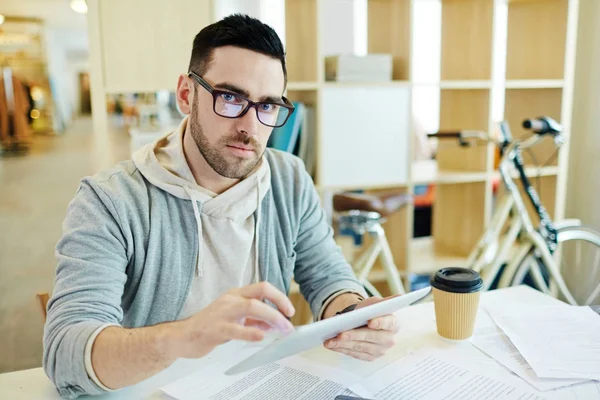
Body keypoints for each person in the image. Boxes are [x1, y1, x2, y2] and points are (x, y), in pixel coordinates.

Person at [43, 14, 400, 399]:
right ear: (186, 94)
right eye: (230, 97)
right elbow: (65, 354)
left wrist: (353, 315)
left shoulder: (289, 178)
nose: (250, 125)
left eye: (267, 106)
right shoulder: (110, 200)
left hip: (261, 383)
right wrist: (184, 337)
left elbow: (327, 274)